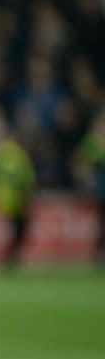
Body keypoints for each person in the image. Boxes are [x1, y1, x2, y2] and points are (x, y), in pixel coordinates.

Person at [0, 133, 37, 268]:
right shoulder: (18, 155)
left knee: (13, 230)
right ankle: (11, 257)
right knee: (18, 230)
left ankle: (10, 257)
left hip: (4, 198)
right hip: (16, 199)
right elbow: (26, 177)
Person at [72, 111, 105, 265]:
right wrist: (86, 180)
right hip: (100, 189)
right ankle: (98, 252)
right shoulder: (90, 142)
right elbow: (80, 163)